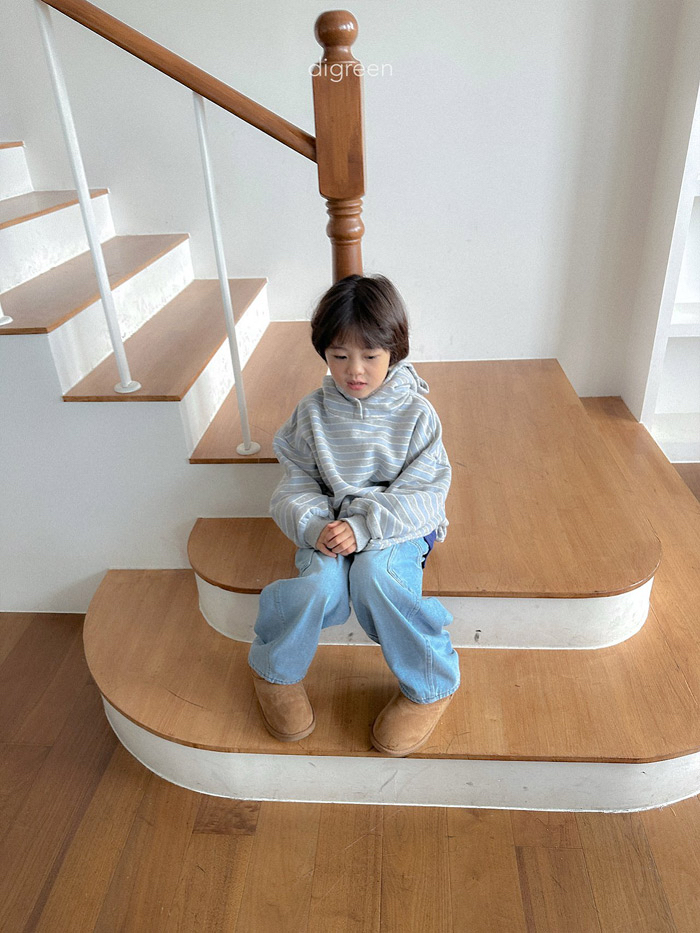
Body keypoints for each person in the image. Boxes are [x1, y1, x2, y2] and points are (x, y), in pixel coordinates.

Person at [248, 274, 460, 757]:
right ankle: (274, 672)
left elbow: (426, 493)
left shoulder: (417, 415)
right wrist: (313, 526)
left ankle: (432, 683)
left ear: (394, 351)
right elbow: (294, 483)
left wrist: (365, 526)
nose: (355, 371)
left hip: (395, 528)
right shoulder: (311, 413)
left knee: (376, 578)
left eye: (370, 356)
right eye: (339, 356)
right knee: (318, 586)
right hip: (327, 527)